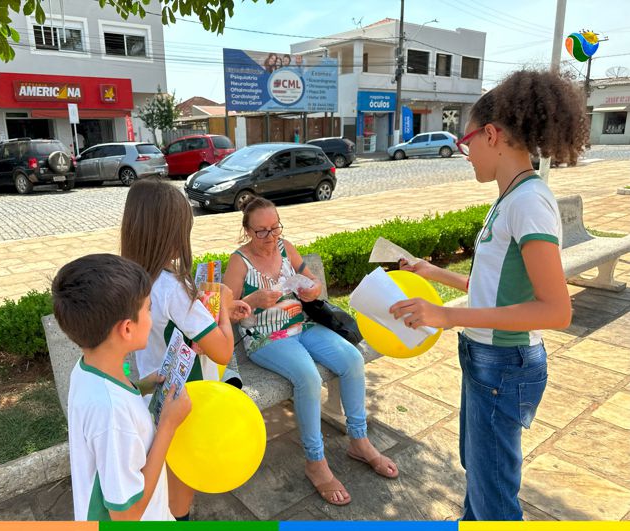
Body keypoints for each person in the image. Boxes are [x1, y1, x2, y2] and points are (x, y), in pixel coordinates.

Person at [390, 70, 586, 521]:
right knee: (480, 477)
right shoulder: (511, 198)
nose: (466, 153)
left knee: (493, 495)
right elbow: (496, 288)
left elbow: (556, 311)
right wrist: (434, 273)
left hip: (503, 364)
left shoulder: (528, 201)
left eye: (467, 142)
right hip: (487, 361)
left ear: (492, 135)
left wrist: (446, 316)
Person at [223, 197, 398, 507]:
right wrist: (252, 301)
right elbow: (225, 311)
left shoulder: (285, 248)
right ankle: (315, 462)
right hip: (265, 338)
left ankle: (359, 441)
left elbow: (311, 280)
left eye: (275, 228)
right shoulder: (239, 262)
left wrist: (313, 288)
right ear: (247, 231)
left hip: (302, 326)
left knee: (352, 359)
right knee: (308, 377)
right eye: (261, 231)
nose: (270, 237)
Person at [120, 178, 250, 520]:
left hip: (154, 394)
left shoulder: (131, 278)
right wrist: (223, 304)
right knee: (181, 489)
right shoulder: (174, 288)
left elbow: (167, 332)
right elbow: (222, 352)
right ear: (172, 233)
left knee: (165, 479)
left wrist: (202, 327)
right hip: (186, 402)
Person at [53, 253, 192, 521]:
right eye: (148, 309)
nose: (151, 316)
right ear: (127, 329)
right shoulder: (111, 412)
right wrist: (168, 425)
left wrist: (141, 386)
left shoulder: (87, 367)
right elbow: (126, 516)